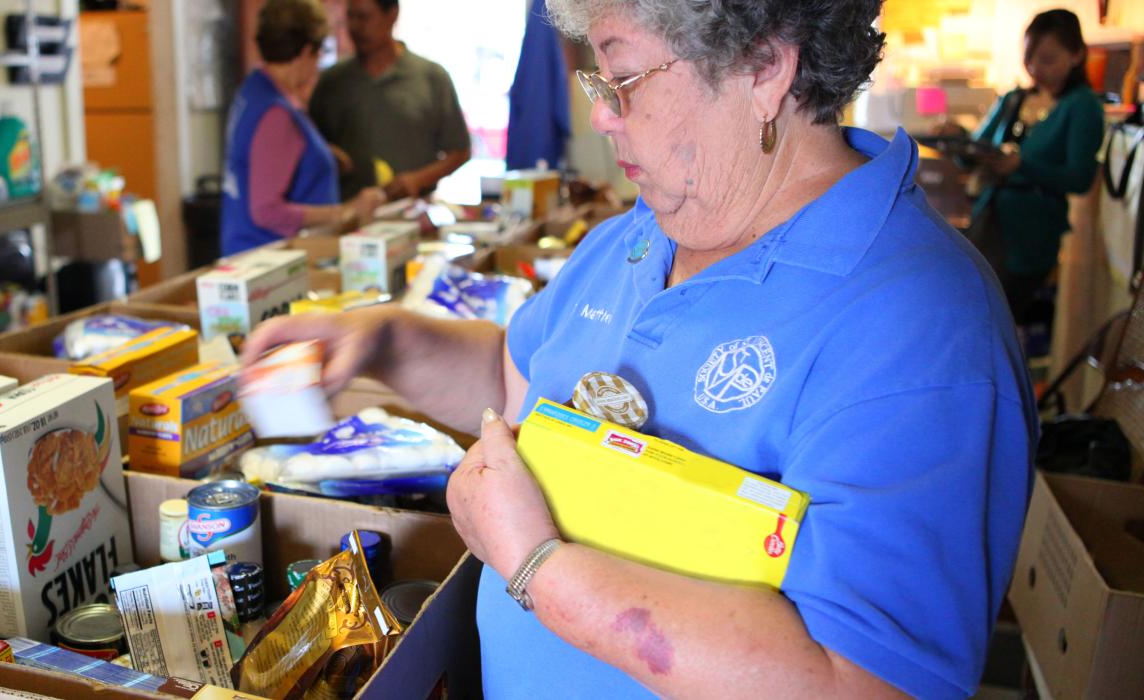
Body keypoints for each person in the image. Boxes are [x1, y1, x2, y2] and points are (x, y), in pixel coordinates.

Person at [243, 0, 1035, 697]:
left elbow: (867, 682)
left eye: (622, 81)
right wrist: (384, 339)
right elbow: (516, 384)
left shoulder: (919, 326)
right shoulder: (642, 231)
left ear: (763, 68)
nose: (601, 116)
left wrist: (537, 567)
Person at [967, 9, 1105, 333]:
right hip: (990, 220)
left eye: (1047, 60)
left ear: (1076, 56)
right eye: (1029, 58)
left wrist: (1022, 166)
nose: (1035, 69)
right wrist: (958, 143)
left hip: (1032, 234)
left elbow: (1080, 178)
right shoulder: (1015, 98)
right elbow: (976, 148)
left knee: (993, 320)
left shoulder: (1082, 106)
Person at [220, 0, 386, 256]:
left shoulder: (253, 89)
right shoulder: (275, 113)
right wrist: (347, 210)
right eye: (319, 55)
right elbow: (266, 211)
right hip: (269, 260)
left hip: (247, 251)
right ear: (308, 51)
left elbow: (261, 158)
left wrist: (319, 154)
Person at [308, 0, 471, 201]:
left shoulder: (431, 77)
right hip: (348, 212)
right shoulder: (332, 80)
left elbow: (459, 151)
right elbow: (308, 143)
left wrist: (417, 180)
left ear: (392, 14)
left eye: (364, 17)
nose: (356, 27)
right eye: (351, 16)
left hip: (414, 212)